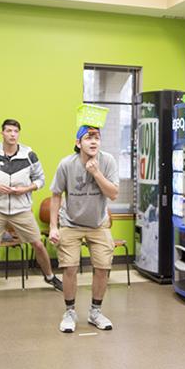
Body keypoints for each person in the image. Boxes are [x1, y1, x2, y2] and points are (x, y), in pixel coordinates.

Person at [0, 119, 63, 301]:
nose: (12, 134)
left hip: (21, 209)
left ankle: (50, 277)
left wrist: (26, 189)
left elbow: (40, 180)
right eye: (8, 131)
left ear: (18, 134)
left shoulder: (30, 155)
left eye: (15, 131)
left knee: (37, 244)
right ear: (2, 133)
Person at [49, 125, 119, 333]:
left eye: (97, 137)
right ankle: (70, 311)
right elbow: (55, 195)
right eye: (88, 138)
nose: (94, 141)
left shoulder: (107, 161)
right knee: (69, 267)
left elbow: (113, 194)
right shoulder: (66, 164)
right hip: (70, 222)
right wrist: (54, 227)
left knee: (103, 267)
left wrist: (96, 173)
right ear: (78, 143)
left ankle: (95, 311)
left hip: (98, 223)